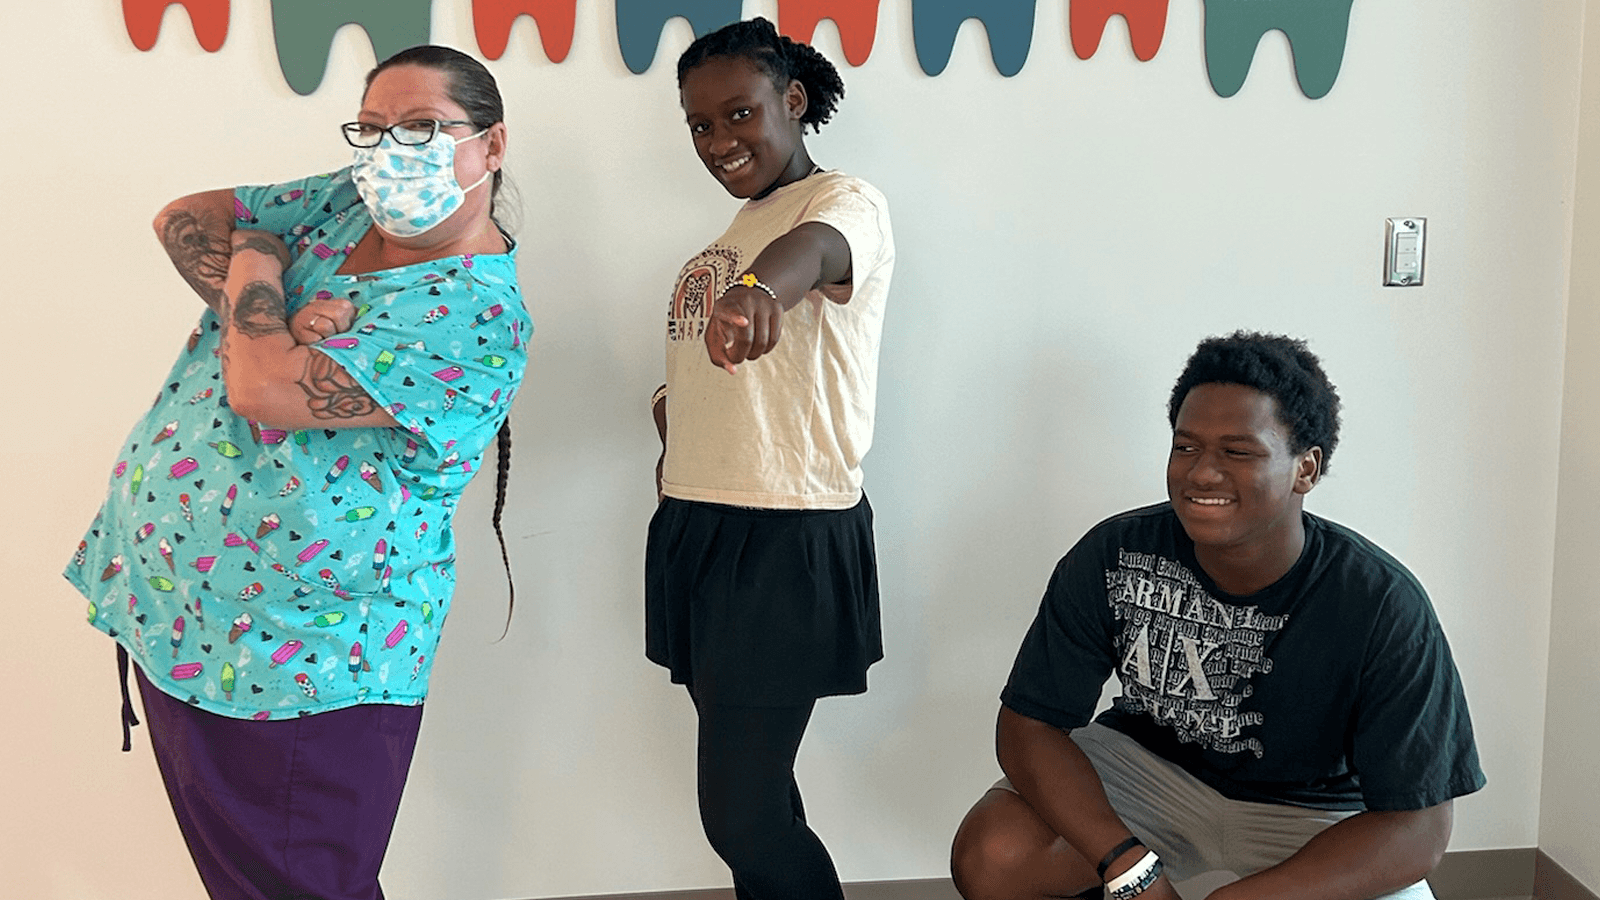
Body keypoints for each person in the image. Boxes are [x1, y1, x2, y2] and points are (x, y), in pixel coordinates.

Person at [63, 45, 529, 900]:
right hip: (187, 624)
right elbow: (185, 218)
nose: (393, 153)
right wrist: (265, 287)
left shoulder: (476, 314)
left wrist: (262, 293)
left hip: (305, 661)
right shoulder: (346, 206)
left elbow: (261, 387)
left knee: (307, 886)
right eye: (376, 130)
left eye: (425, 128)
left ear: (492, 146)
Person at [951, 332, 1485, 900]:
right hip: (1151, 769)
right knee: (996, 854)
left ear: (1305, 469)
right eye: (1186, 447)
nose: (1202, 473)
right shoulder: (1115, 554)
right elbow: (1028, 725)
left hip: (1311, 810)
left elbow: (1420, 828)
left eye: (1238, 451)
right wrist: (1129, 869)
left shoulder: (1381, 604)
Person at [644, 17, 895, 900]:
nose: (720, 141)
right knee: (758, 794)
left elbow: (812, 259)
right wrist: (677, 412)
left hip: (782, 533)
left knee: (739, 811)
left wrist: (757, 294)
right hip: (703, 522)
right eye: (701, 126)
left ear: (793, 101)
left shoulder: (842, 205)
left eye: (740, 114)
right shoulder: (737, 227)